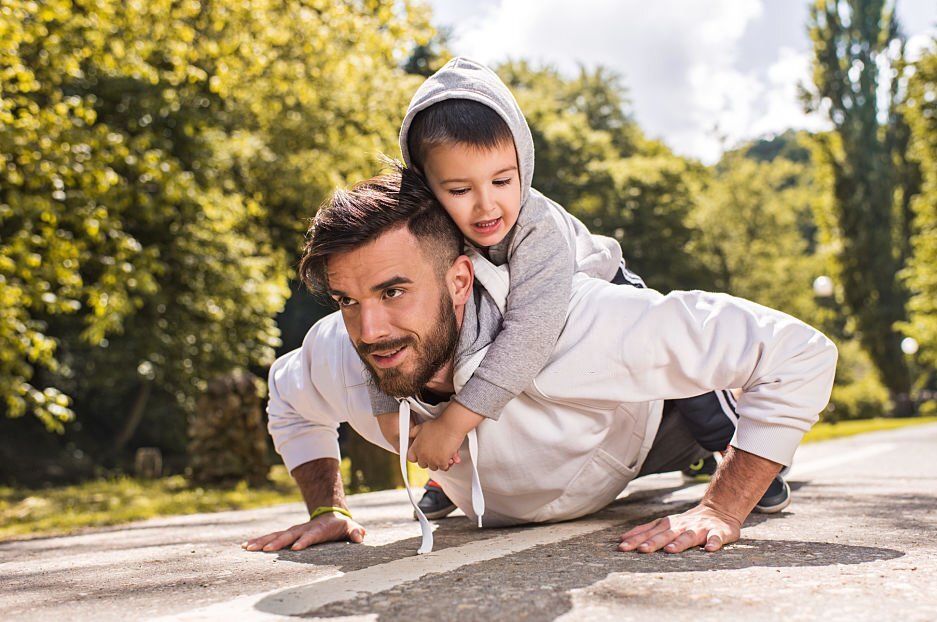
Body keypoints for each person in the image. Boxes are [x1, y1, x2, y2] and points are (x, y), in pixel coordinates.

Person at [243, 168, 838, 555]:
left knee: (704, 392)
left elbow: (797, 354)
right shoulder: (339, 352)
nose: (368, 330)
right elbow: (289, 401)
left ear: (459, 281)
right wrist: (327, 506)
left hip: (648, 432)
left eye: (394, 291)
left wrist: (723, 505)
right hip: (512, 483)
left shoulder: (578, 329)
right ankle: (462, 482)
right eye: (348, 300)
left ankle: (717, 423)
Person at [370, 57, 772, 518]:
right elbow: (373, 306)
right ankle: (452, 475)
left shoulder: (537, 228)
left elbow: (529, 333)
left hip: (590, 288)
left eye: (503, 180)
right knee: (455, 353)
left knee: (677, 362)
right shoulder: (418, 232)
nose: (487, 205)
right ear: (424, 185)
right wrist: (388, 410)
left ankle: (734, 449)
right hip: (504, 310)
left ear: (524, 161)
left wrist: (455, 423)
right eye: (459, 190)